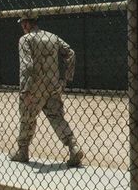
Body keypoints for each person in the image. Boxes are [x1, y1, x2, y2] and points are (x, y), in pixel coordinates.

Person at [10, 11, 84, 167]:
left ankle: (23, 151)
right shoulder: (52, 37)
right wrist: (66, 79)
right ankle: (73, 146)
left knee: (27, 118)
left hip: (34, 86)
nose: (22, 27)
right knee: (57, 117)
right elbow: (71, 53)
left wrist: (26, 90)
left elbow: (27, 66)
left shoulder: (25, 40)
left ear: (26, 24)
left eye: (22, 24)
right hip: (52, 86)